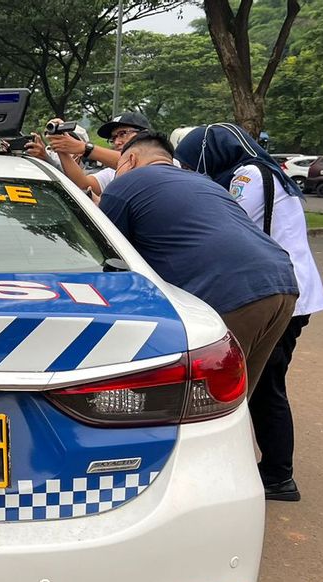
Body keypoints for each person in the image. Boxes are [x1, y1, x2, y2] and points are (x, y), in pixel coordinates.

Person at [176, 124, 323, 502]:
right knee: (266, 384)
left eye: (196, 161)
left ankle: (278, 475)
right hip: (292, 289)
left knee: (266, 388)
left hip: (273, 289)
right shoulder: (266, 169)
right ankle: (274, 469)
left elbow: (224, 222)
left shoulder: (246, 176)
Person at [98, 131, 299, 397]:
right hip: (281, 284)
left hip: (230, 291)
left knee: (202, 403)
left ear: (131, 159)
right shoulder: (206, 182)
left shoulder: (125, 184)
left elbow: (104, 255)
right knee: (235, 400)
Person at [47, 111, 153, 196]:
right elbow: (83, 184)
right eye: (113, 138)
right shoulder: (112, 173)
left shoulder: (163, 162)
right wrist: (61, 148)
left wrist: (84, 148)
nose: (117, 142)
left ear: (144, 135)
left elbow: (135, 162)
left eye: (122, 134)